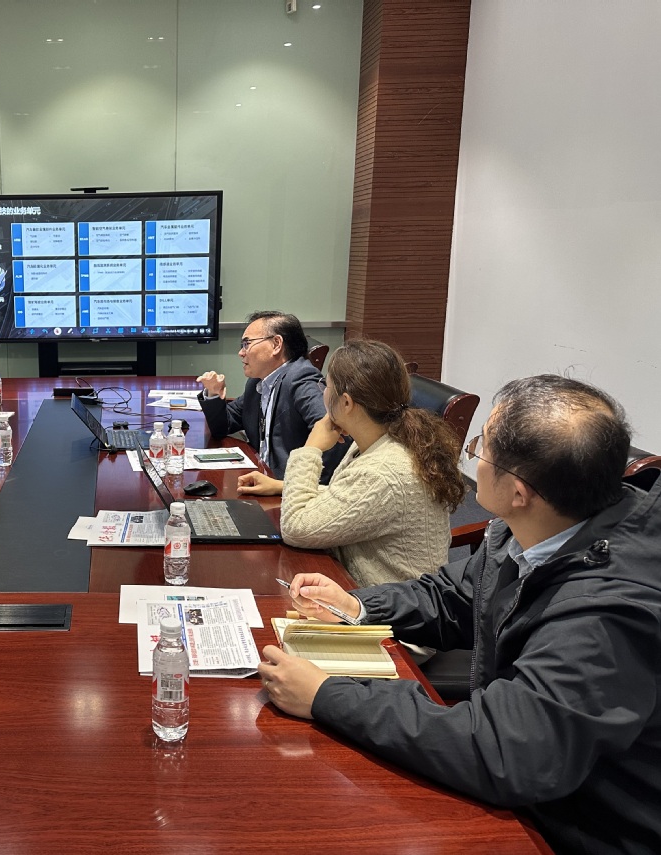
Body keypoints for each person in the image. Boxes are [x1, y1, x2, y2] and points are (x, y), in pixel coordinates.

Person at [258, 375, 661, 855]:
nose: (474, 455)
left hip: (584, 827)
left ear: (518, 491)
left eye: (482, 447)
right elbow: (457, 595)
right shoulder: (540, 525)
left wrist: (327, 696)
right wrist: (357, 605)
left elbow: (507, 750)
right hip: (538, 781)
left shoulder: (608, 613)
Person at [237, 340, 464, 586]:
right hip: (364, 590)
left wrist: (311, 448)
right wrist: (281, 485)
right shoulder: (381, 439)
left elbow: (295, 528)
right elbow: (353, 497)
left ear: (346, 403)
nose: (322, 392)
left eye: (326, 385)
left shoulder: (382, 471)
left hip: (387, 605)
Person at [197, 311, 346, 483]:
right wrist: (213, 395)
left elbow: (335, 434)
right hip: (261, 474)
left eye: (247, 344)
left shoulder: (301, 379)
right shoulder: (258, 383)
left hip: (287, 488)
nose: (241, 353)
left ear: (276, 344)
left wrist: (293, 485)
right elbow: (225, 425)